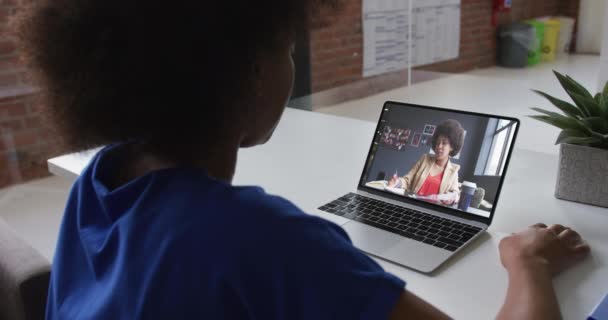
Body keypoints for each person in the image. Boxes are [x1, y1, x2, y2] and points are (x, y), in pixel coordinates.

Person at [15, 0, 590, 319]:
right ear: (250, 73)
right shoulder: (261, 238)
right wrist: (526, 262)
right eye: (288, 48)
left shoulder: (99, 180)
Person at [388, 119, 465, 205]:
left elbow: (455, 194)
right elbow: (407, 180)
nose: (439, 146)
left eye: (444, 143)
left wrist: (451, 198)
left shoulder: (453, 171)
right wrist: (397, 182)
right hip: (411, 205)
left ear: (452, 147)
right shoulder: (424, 159)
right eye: (437, 142)